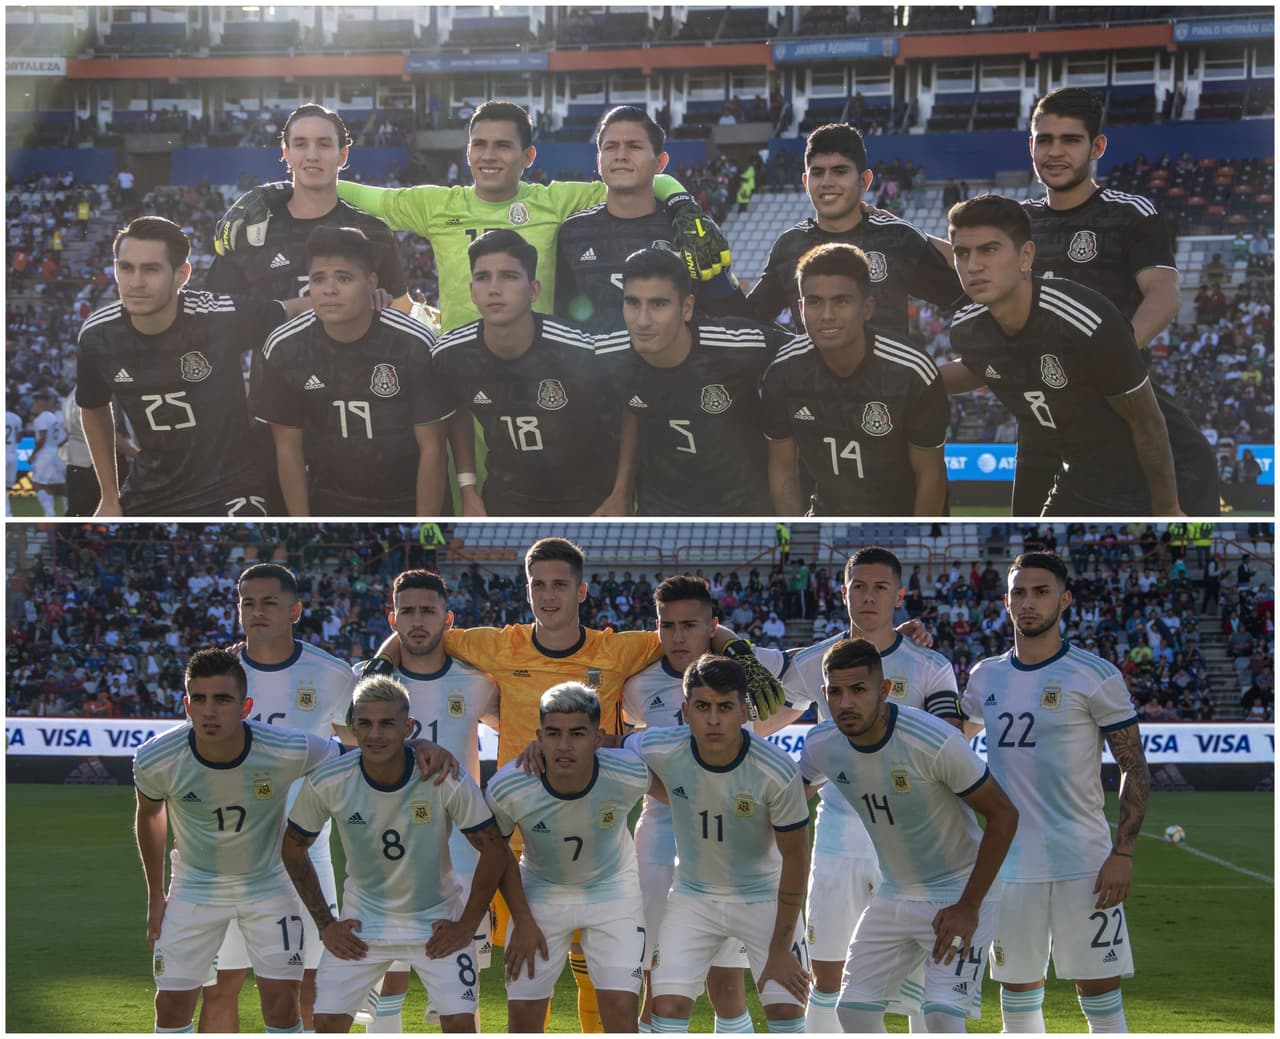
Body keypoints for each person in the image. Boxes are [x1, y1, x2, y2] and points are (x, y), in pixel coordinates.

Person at [365, 537, 785, 1032]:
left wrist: (737, 648)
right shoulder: (497, 645)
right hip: (517, 840)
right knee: (515, 970)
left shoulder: (619, 649)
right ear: (527, 590)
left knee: (599, 972)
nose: (548, 595)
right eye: (538, 584)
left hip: (596, 837)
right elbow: (421, 630)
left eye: (559, 584)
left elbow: (690, 631)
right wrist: (378, 664)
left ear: (581, 590)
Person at [218, 100, 730, 333]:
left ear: (527, 157)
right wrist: (276, 187)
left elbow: (633, 176)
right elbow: (352, 189)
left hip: (540, 362)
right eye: (480, 144)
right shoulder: (434, 204)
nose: (490, 155)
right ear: (467, 152)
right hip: (457, 363)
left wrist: (682, 200)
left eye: (503, 146)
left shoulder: (557, 200)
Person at [764, 547, 962, 1032]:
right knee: (826, 977)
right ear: (843, 591)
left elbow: (949, 740)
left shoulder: (928, 664)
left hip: (914, 847)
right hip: (838, 841)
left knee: (918, 989)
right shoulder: (816, 662)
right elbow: (769, 716)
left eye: (879, 588)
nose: (868, 597)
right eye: (858, 586)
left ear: (899, 594)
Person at [961, 552, 1153, 1033]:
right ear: (1006, 602)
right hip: (1011, 866)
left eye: (1041, 591)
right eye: (1019, 592)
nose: (1028, 602)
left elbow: (1134, 765)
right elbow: (946, 743)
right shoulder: (985, 676)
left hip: (1084, 864)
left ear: (1064, 600)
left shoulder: (1094, 674)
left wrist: (1123, 852)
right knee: (1018, 1000)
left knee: (1102, 999)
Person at [943, 194, 1217, 516]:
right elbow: (980, 367)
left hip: (1163, 472)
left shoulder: (1083, 318)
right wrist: (900, 382)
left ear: (1026, 256)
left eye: (989, 250)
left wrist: (1168, 509)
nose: (974, 265)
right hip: (1078, 469)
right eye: (963, 253)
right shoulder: (966, 328)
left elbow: (1146, 423)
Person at [282, 674, 526, 1034]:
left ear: (407, 727)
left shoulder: (444, 777)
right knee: (327, 1023)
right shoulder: (329, 781)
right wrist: (326, 925)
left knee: (461, 1024)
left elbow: (494, 849)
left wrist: (466, 925)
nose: (375, 734)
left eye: (387, 724)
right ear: (352, 726)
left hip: (435, 923)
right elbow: (292, 848)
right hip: (362, 925)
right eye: (365, 724)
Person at [799, 638, 1019, 1033]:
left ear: (884, 691)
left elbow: (1003, 815)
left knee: (941, 1015)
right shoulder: (822, 745)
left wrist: (969, 906)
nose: (846, 702)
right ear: (824, 694)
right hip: (894, 893)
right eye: (835, 691)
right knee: (853, 1009)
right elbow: (787, 800)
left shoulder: (932, 741)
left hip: (960, 892)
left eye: (859, 690)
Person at [620, 576, 798, 1032]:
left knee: (746, 986)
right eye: (667, 625)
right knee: (655, 983)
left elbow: (815, 666)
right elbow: (613, 749)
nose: (677, 636)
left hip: (752, 874)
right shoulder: (641, 691)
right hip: (674, 855)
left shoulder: (751, 669)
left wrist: (733, 644)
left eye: (690, 625)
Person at [133, 650, 343, 1033]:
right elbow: (149, 814)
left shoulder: (286, 748)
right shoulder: (156, 757)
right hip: (194, 888)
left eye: (223, 699)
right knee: (172, 1006)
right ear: (186, 705)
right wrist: (154, 895)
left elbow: (354, 759)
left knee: (282, 1006)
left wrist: (418, 747)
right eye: (199, 699)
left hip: (268, 885)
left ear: (245, 706)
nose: (209, 710)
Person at [198, 563, 358, 1033]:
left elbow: (366, 742)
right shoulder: (218, 673)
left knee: (312, 978)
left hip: (306, 852)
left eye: (269, 602)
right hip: (229, 853)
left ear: (295, 610)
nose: (257, 611)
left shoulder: (331, 674)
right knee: (221, 985)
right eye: (247, 602)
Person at [1016, 87, 1185, 514]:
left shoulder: (1130, 213)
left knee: (1180, 506)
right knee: (1030, 532)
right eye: (1045, 139)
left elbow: (1163, 295)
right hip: (1040, 418)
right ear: (1030, 145)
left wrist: (1113, 357)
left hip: (1117, 408)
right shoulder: (1017, 221)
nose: (1055, 152)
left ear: (1097, 146)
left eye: (1070, 140)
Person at [76, 216, 308, 516]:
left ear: (181, 274)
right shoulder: (97, 336)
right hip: (152, 488)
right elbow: (92, 407)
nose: (135, 282)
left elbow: (292, 309)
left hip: (230, 486)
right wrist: (109, 495)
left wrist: (372, 299)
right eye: (126, 267)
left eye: (151, 269)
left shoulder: (220, 317)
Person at [352, 569, 501, 1032]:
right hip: (390, 850)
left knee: (462, 980)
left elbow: (516, 722)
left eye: (428, 611)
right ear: (392, 617)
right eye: (408, 611)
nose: (418, 621)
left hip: (464, 850)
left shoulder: (478, 681)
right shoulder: (364, 686)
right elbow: (343, 735)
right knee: (390, 972)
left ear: (447, 618)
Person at [486, 683, 653, 1032]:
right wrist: (523, 919)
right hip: (541, 893)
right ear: (539, 736)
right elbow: (496, 853)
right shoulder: (510, 785)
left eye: (577, 733)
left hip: (613, 891)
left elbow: (684, 787)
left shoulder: (630, 773)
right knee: (523, 1017)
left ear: (598, 737)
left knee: (621, 1010)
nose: (564, 745)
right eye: (553, 733)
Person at [255, 226, 451, 516]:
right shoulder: (284, 347)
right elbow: (287, 449)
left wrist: (426, 525)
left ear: (371, 283)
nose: (329, 289)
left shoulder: (414, 343)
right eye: (318, 279)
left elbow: (433, 448)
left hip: (409, 499)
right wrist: (302, 521)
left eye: (343, 278)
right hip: (330, 500)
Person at [432, 230, 630, 516]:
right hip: (506, 499)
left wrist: (621, 492)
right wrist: (468, 488)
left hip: (588, 502)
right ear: (472, 290)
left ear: (534, 290)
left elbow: (630, 409)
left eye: (509, 276)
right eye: (483, 277)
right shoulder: (450, 354)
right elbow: (455, 410)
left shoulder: (582, 350)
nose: (494, 289)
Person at [761, 242, 948, 516]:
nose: (826, 315)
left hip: (899, 519)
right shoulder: (782, 370)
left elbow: (930, 475)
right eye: (814, 302)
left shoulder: (912, 371)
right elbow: (783, 469)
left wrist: (917, 539)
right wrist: (794, 535)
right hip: (827, 514)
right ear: (800, 307)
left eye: (841, 301)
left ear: (867, 308)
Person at [610, 248, 789, 516]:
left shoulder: (736, 344)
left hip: (743, 508)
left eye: (658, 304)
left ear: (687, 308)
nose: (642, 320)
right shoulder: (611, 355)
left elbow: (806, 356)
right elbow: (630, 408)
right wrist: (620, 491)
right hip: (662, 511)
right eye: (633, 303)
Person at [746, 123, 964, 336]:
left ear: (864, 180)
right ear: (805, 181)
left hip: (888, 373)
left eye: (839, 171)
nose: (827, 182)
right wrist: (793, 350)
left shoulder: (896, 238)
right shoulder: (790, 245)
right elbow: (750, 319)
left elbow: (966, 298)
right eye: (818, 173)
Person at [555, 106, 747, 334]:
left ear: (660, 162)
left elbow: (734, 320)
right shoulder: (572, 232)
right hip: (597, 368)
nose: (620, 155)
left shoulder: (690, 231)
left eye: (634, 146)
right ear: (599, 160)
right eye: (611, 147)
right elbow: (563, 323)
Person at [207, 104, 411, 311]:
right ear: (287, 153)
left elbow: (399, 320)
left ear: (342, 155)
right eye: (301, 144)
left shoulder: (374, 233)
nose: (312, 155)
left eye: (323, 144)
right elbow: (216, 322)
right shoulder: (247, 231)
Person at [28, 390, 67, 517]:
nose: (32, 406)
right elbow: (64, 435)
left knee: (37, 483)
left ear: (40, 404)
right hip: (56, 452)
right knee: (54, 485)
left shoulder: (41, 418)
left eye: (34, 403)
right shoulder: (53, 416)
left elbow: (42, 438)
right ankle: (66, 509)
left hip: (45, 455)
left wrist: (33, 453)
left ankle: (49, 512)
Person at [4, 406, 21, 515]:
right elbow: (19, 437)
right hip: (12, 454)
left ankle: (7, 513)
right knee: (7, 486)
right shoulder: (16, 417)